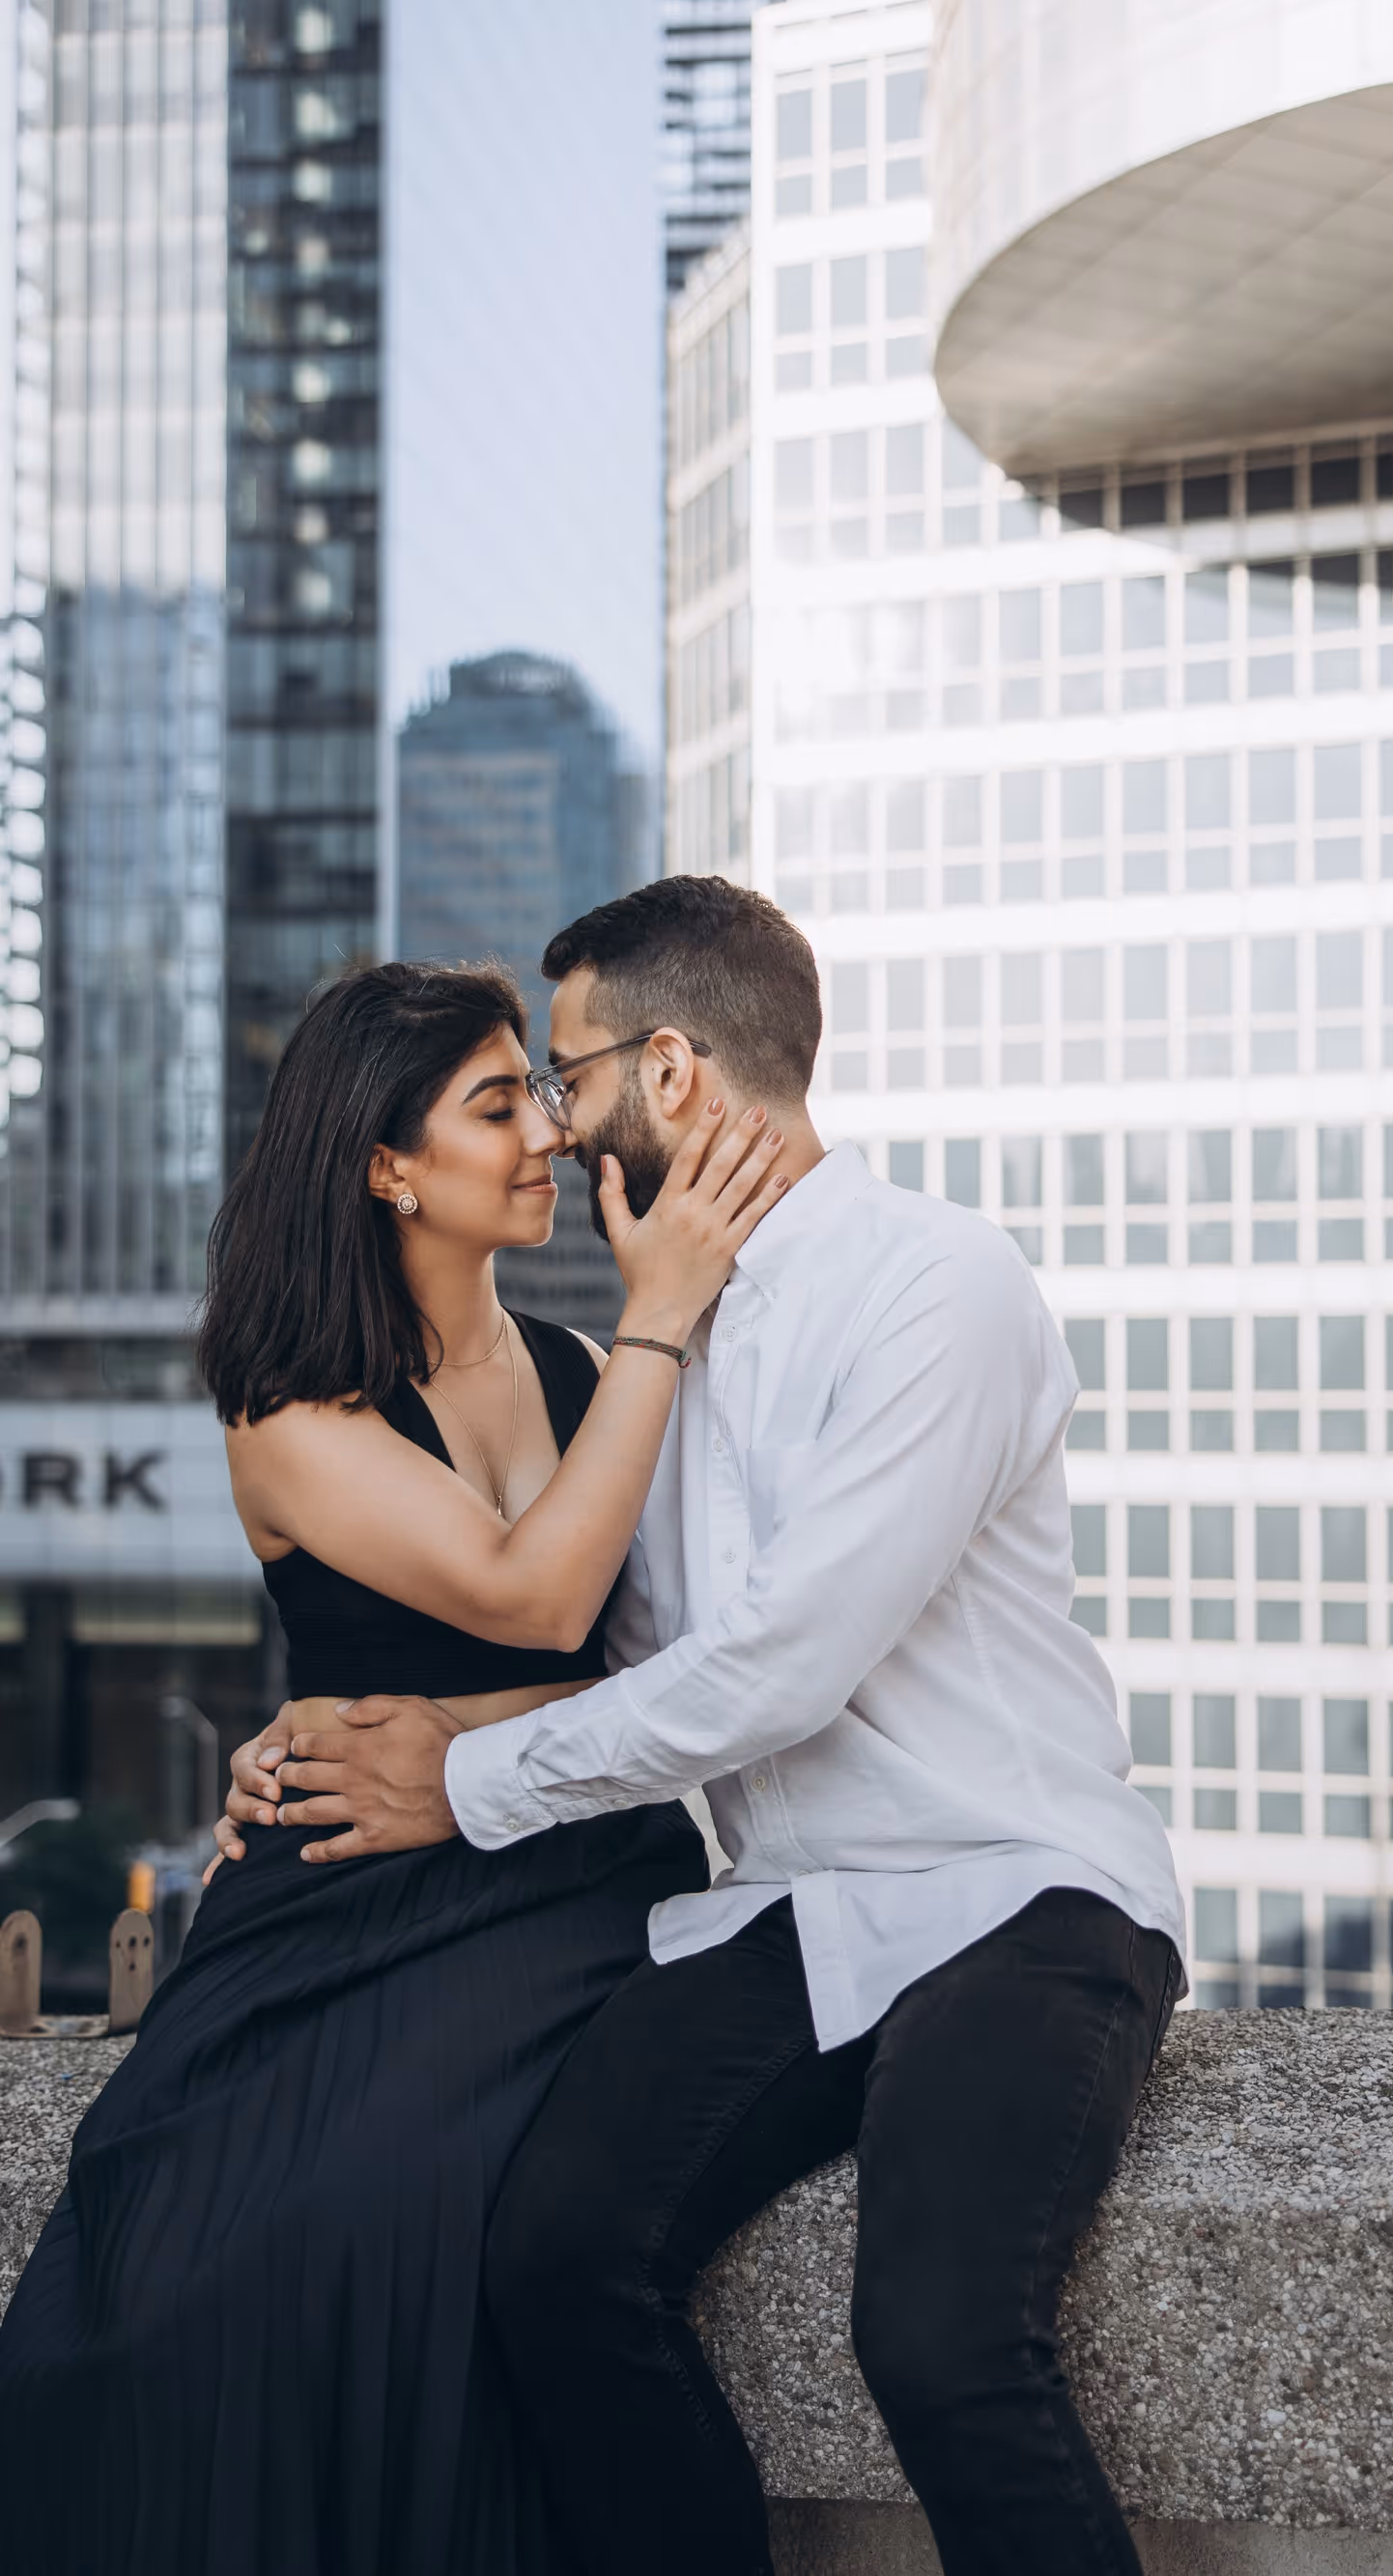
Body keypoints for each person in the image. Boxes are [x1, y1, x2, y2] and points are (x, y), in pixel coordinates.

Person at [221, 877, 1187, 2576]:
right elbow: (635, 1648)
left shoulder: (933, 1285)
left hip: (1020, 1902)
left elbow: (777, 1666)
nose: (558, 1130)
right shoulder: (671, 1343)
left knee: (942, 2331)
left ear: (670, 1076)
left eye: (570, 1077)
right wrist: (344, 1729)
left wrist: (454, 1778)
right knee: (552, 2258)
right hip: (791, 1923)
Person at [0, 957, 785, 2576]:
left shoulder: (592, 1374)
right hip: (349, 1889)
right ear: (385, 1161)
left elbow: (683, 1654)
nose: (547, 1141)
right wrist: (663, 1317)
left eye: (542, 1099)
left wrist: (478, 1734)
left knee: (425, 2215)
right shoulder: (291, 1405)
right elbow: (535, 1595)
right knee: (197, 2269)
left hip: (576, 1874)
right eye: (498, 1107)